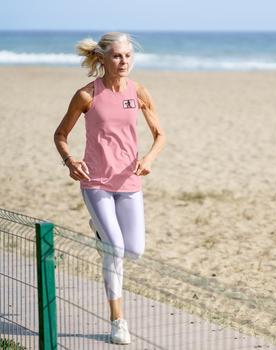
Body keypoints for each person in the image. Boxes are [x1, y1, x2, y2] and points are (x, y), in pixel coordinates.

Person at [54, 32, 166, 345]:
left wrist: (148, 159)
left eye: (128, 56)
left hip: (130, 181)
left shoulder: (139, 91)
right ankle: (118, 321)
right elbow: (60, 134)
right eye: (117, 56)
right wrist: (70, 161)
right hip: (96, 182)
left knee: (135, 251)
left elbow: (160, 134)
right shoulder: (86, 95)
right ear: (102, 59)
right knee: (115, 250)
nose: (124, 62)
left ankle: (100, 230)